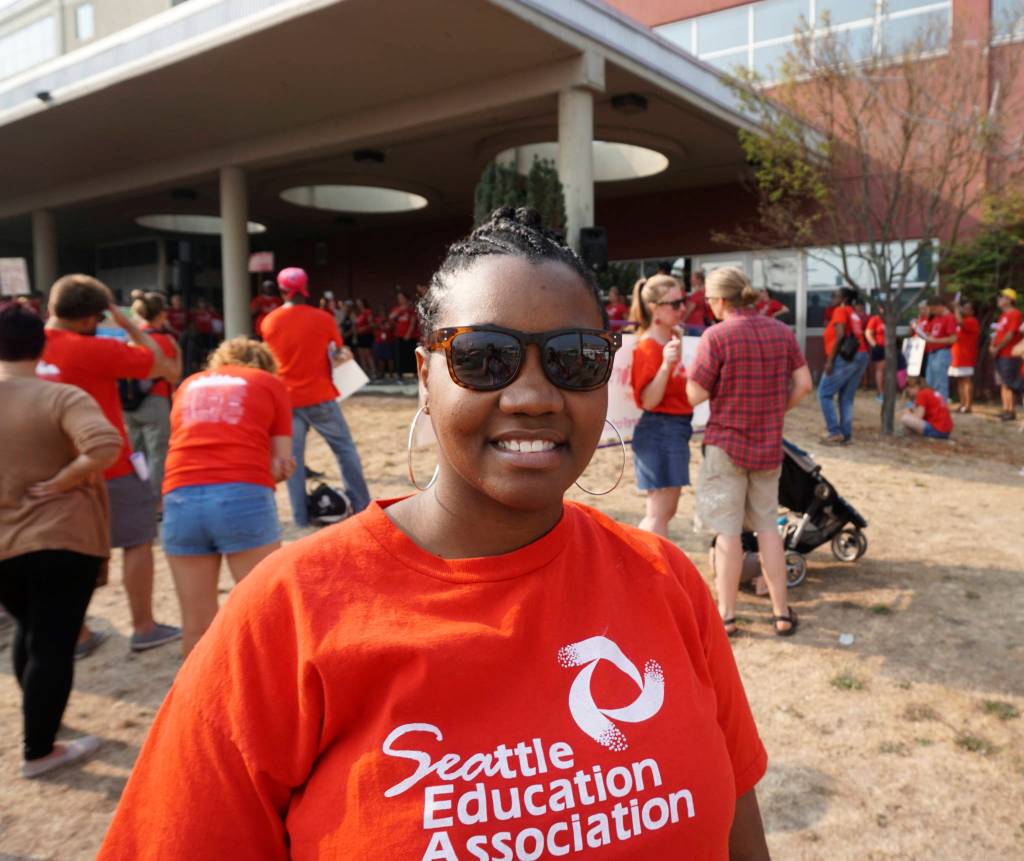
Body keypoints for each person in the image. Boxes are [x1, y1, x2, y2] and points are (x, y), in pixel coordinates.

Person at [99, 206, 773, 859]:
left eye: (574, 359)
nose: (534, 395)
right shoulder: (286, 614)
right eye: (484, 358)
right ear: (425, 376)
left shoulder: (666, 580)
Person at [0, 303, 122, 778]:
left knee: (28, 629)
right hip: (61, 535)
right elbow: (105, 445)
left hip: (5, 543)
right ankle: (40, 749)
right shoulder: (61, 397)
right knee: (52, 641)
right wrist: (67, 479)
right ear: (43, 343)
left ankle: (42, 719)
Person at [39, 275, 181, 654]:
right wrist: (127, 322)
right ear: (90, 318)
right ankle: (144, 626)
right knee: (137, 540)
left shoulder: (23, 348)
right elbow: (162, 365)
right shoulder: (92, 349)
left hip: (46, 468)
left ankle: (79, 633)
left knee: (62, 551)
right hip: (108, 464)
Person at [686, 267, 812, 638]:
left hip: (727, 445)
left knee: (727, 533)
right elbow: (804, 384)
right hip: (769, 446)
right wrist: (776, 409)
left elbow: (694, 394)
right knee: (767, 529)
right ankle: (781, 613)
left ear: (721, 300)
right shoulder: (781, 332)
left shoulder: (717, 336)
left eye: (709, 300)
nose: (708, 306)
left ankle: (726, 615)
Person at [162, 338, 294, 657]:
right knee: (265, 614)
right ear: (264, 363)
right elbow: (281, 464)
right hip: (241, 494)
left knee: (196, 624)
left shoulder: (189, 384)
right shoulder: (269, 383)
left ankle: (197, 704)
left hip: (179, 495)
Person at [261, 267, 371, 527]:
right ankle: (362, 506)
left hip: (287, 400)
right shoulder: (323, 318)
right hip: (320, 395)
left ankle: (300, 517)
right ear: (306, 287)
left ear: (281, 290)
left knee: (293, 460)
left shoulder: (269, 322)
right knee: (345, 451)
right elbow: (338, 351)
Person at [628, 274, 693, 537]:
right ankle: (648, 568)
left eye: (683, 301)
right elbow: (648, 401)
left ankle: (650, 567)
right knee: (659, 513)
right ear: (655, 307)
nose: (682, 309)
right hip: (660, 427)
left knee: (665, 511)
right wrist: (666, 365)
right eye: (674, 304)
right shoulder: (649, 346)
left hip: (673, 428)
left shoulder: (668, 340)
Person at [123, 292, 180, 499]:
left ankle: (136, 496)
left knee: (137, 455)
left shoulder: (131, 338)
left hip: (130, 404)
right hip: (155, 401)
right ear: (161, 314)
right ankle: (155, 500)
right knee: (157, 454)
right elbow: (174, 374)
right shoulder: (164, 340)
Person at [817, 287, 868, 445]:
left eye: (835, 295)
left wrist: (830, 361)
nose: (832, 297)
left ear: (844, 298)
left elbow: (839, 336)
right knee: (846, 397)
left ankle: (834, 432)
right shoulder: (853, 313)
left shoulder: (840, 311)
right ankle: (846, 434)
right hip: (861, 354)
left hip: (846, 357)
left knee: (824, 393)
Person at [990, 288, 1023, 421]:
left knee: (1009, 382)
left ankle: (1011, 410)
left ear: (1009, 299)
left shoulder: (1014, 314)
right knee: (1002, 381)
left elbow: (1010, 334)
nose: (999, 300)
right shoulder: (1002, 316)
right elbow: (997, 333)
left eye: (1001, 297)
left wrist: (997, 347)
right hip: (1000, 352)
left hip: (1009, 353)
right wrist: (992, 346)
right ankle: (1005, 409)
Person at [916, 297, 956, 402]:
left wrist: (935, 341)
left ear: (939, 306)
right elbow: (933, 333)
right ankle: (933, 405)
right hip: (932, 352)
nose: (931, 312)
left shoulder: (949, 317)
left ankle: (941, 405)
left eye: (932, 309)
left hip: (942, 352)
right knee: (930, 382)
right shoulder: (936, 318)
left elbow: (952, 338)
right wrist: (925, 335)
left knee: (940, 382)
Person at [950, 299, 980, 413]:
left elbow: (959, 321)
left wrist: (956, 308)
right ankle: (962, 404)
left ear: (972, 312)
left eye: (966, 308)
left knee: (966, 380)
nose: (963, 310)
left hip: (966, 356)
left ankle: (968, 405)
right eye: (963, 307)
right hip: (957, 356)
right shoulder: (964, 321)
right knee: (960, 380)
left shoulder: (971, 320)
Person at [391, 291, 417, 381]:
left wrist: (408, 334)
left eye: (402, 298)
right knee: (399, 356)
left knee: (411, 355)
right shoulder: (397, 309)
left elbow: (413, 322)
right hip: (399, 335)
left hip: (410, 336)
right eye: (399, 298)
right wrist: (401, 309)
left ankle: (414, 373)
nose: (400, 300)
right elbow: (391, 317)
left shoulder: (411, 308)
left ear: (406, 299)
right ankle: (399, 374)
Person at [864, 309, 886, 399]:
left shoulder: (889, 319)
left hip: (888, 347)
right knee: (880, 370)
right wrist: (874, 345)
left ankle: (883, 391)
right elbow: (868, 333)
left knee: (885, 371)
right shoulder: (875, 319)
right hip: (879, 347)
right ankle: (880, 392)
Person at [373, 301, 397, 381]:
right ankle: (382, 373)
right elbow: (374, 327)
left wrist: (387, 322)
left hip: (389, 341)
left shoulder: (390, 318)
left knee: (390, 358)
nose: (382, 312)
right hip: (379, 341)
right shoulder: (377, 319)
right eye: (381, 310)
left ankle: (391, 374)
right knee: (380, 358)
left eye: (383, 310)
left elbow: (393, 326)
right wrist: (380, 323)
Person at [682, 268, 709, 335]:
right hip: (700, 325)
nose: (690, 280)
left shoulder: (697, 294)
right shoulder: (704, 292)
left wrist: (681, 322)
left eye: (692, 278)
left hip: (693, 326)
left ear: (699, 280)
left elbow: (689, 310)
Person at [352, 297, 375, 375]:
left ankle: (373, 372)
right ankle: (365, 372)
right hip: (360, 336)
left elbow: (371, 324)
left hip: (366, 335)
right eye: (357, 303)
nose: (358, 304)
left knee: (368, 354)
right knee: (361, 355)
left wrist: (363, 328)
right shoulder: (358, 313)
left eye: (360, 303)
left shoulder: (367, 312)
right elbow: (355, 325)